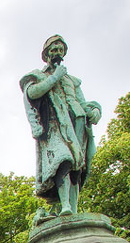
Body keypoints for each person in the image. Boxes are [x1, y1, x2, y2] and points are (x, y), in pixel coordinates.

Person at [21, 35, 102, 220]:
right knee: (62, 160)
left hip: (77, 126)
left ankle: (72, 208)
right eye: (53, 50)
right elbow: (32, 93)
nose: (57, 53)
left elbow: (83, 102)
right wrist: (55, 77)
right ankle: (65, 204)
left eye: (60, 50)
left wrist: (96, 110)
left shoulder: (72, 80)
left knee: (77, 167)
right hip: (53, 126)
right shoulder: (38, 76)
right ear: (46, 54)